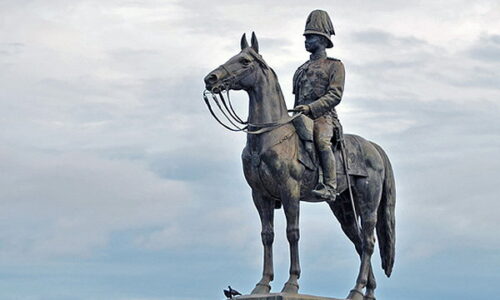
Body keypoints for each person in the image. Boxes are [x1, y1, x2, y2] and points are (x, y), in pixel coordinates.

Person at [293, 10, 345, 201]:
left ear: (323, 40)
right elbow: (297, 99)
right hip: (300, 117)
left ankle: (330, 186)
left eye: (311, 37)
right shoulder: (301, 69)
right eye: (306, 37)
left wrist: (311, 108)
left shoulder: (335, 66)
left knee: (322, 143)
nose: (306, 40)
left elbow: (335, 95)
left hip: (323, 116)